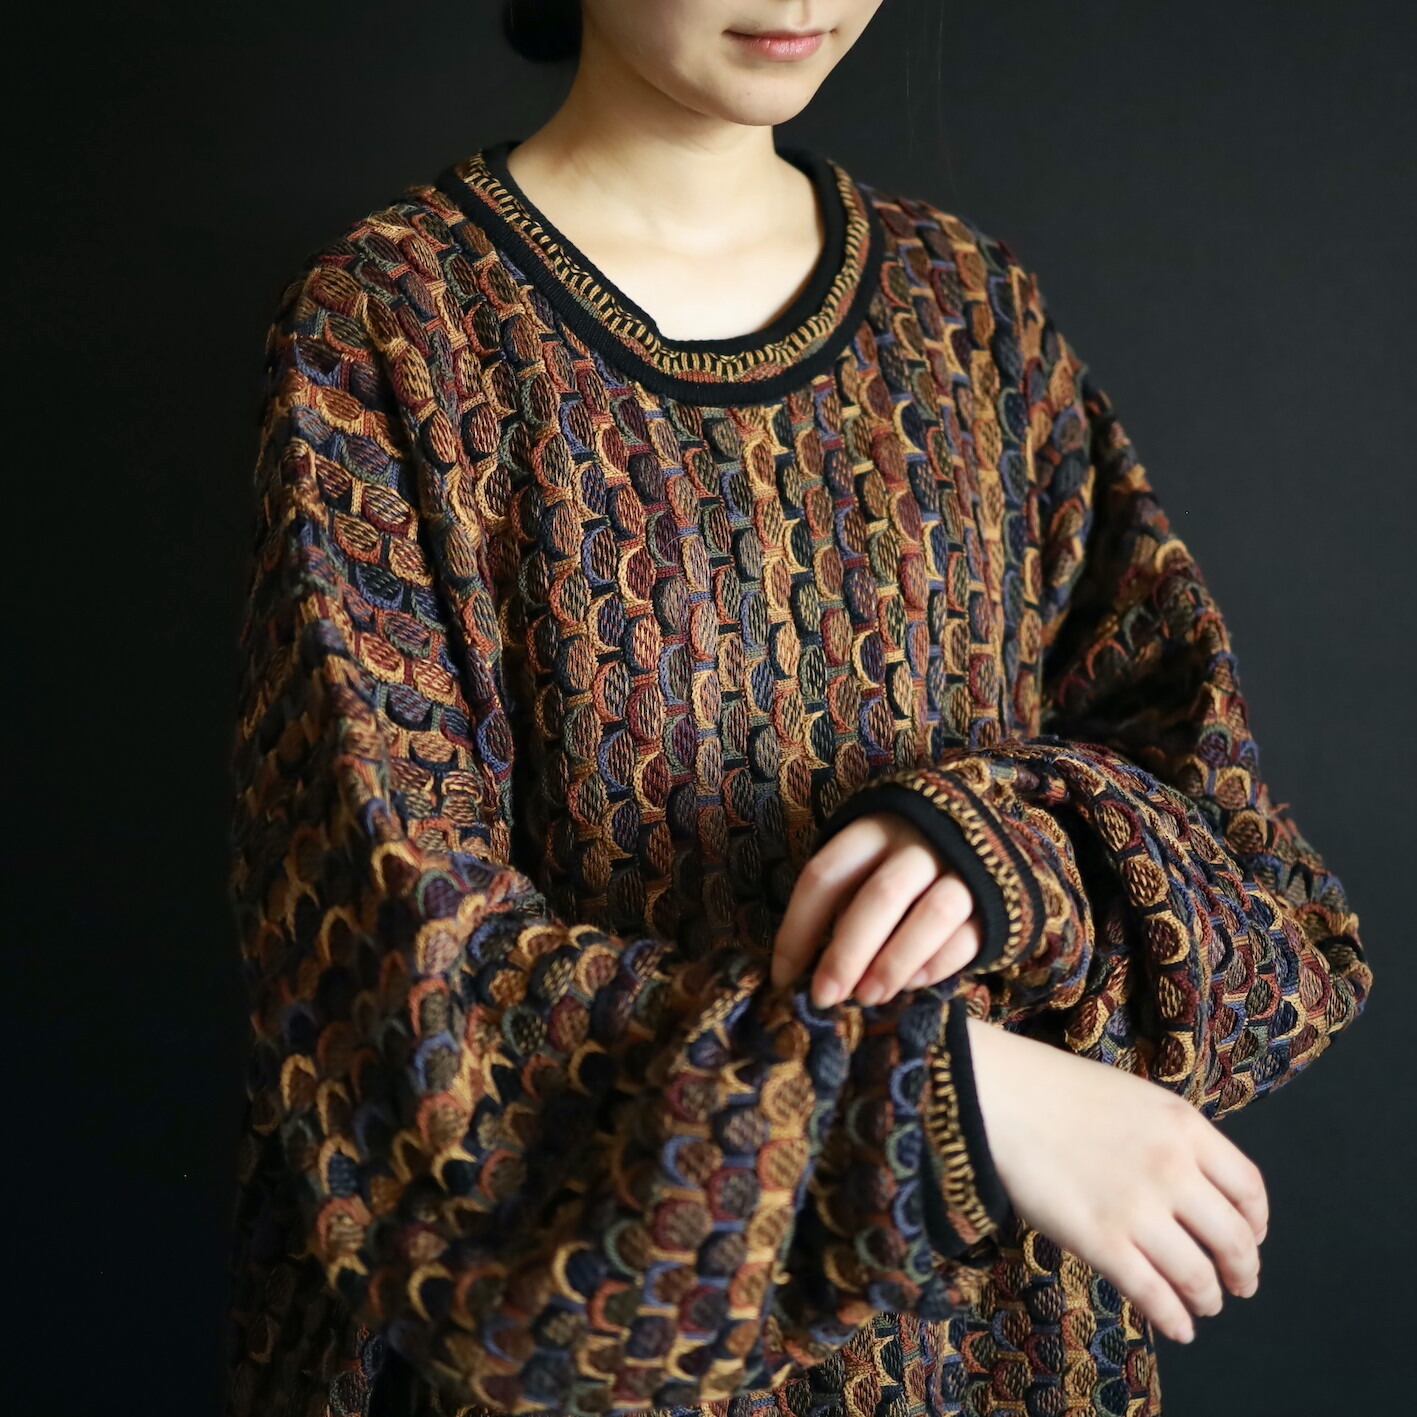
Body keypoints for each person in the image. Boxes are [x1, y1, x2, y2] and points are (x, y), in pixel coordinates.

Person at [219, 3, 1375, 1415]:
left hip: (987, 1361)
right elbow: (384, 989)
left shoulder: (970, 311)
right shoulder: (395, 325)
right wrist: (948, 1101)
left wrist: (1004, 849)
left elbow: (1240, 850)